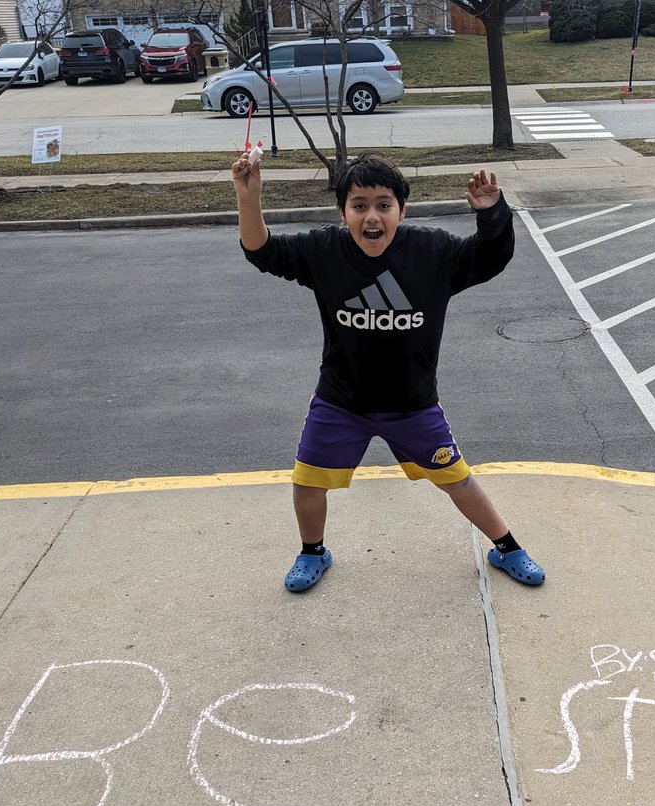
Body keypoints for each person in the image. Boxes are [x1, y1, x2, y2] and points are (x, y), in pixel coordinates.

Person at [232, 150, 546, 593]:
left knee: (458, 479)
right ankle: (312, 552)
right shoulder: (324, 250)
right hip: (341, 401)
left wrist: (492, 212)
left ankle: (507, 547)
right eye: (359, 205)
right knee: (306, 483)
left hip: (412, 405)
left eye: (384, 204)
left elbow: (490, 257)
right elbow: (261, 250)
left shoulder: (431, 250)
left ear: (403, 209)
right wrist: (250, 197)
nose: (371, 216)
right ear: (343, 213)